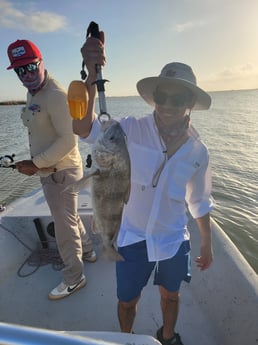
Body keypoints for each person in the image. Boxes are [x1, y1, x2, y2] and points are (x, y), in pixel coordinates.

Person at [73, 34, 214, 345]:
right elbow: (84, 128)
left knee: (171, 296)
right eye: (163, 96)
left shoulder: (198, 151)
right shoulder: (128, 129)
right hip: (132, 238)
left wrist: (206, 241)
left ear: (189, 104)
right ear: (155, 96)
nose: (167, 105)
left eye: (178, 99)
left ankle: (167, 336)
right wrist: (91, 78)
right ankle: (127, 339)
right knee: (127, 301)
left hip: (173, 239)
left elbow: (200, 201)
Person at [6, 39, 97, 300]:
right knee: (69, 216)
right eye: (20, 71)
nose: (27, 76)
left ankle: (74, 277)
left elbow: (69, 140)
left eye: (31, 68)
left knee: (63, 225)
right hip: (50, 170)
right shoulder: (33, 92)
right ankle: (89, 251)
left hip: (61, 171)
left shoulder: (56, 95)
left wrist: (35, 164)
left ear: (42, 62)